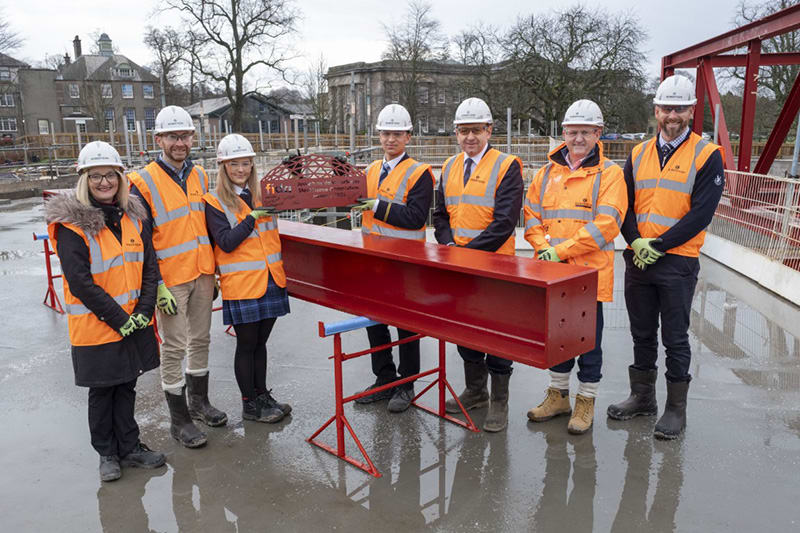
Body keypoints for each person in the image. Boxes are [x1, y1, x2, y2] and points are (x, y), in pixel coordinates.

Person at [607, 74, 725, 439]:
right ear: (655, 110)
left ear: (691, 111)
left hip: (676, 261)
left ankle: (676, 409)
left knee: (675, 337)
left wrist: (655, 246)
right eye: (666, 108)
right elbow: (623, 204)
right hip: (638, 259)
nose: (672, 115)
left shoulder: (707, 155)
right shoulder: (639, 153)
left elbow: (701, 214)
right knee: (642, 333)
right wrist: (635, 241)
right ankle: (642, 397)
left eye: (680, 108)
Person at [45, 141, 166, 482]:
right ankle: (107, 454)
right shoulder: (72, 227)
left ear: (120, 177)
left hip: (133, 321)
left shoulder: (134, 216)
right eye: (95, 176)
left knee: (127, 386)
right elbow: (81, 282)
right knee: (103, 391)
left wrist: (143, 310)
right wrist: (121, 320)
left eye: (110, 175)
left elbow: (149, 268)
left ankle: (130, 448)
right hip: (99, 327)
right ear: (84, 180)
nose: (103, 182)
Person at [523, 99, 627, 434]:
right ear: (563, 133)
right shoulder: (546, 173)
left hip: (587, 274)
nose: (578, 138)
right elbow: (531, 216)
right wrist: (542, 248)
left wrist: (561, 250)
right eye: (572, 131)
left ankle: (585, 401)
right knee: (557, 337)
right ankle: (557, 396)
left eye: (585, 132)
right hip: (553, 272)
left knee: (588, 341)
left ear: (598, 134)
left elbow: (606, 224)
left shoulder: (610, 174)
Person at [129, 105, 227, 449]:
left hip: (201, 272)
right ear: (159, 139)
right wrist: (155, 286)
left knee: (200, 339)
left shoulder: (199, 174)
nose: (179, 142)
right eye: (172, 136)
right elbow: (140, 240)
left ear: (192, 137)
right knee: (174, 346)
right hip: (170, 281)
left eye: (184, 136)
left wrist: (213, 273)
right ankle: (179, 419)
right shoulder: (141, 182)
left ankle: (199, 403)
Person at [433, 97, 524, 432]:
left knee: (498, 338)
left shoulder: (507, 165)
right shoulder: (450, 166)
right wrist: (447, 244)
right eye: (463, 131)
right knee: (465, 333)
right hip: (460, 264)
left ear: (489, 130)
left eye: (476, 130)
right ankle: (475, 392)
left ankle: (499, 401)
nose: (470, 137)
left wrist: (467, 252)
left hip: (496, 267)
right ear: (456, 133)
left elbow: (504, 222)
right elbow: (440, 215)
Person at [203, 134, 292, 423]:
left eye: (246, 164)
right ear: (223, 166)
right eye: (234, 164)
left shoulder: (263, 192)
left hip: (269, 278)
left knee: (261, 343)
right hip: (242, 284)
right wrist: (252, 216)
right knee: (247, 344)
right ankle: (249, 404)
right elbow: (226, 242)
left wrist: (298, 170)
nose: (241, 169)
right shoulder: (214, 201)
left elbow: (298, 195)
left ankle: (262, 394)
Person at [352, 104, 434, 413]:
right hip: (373, 262)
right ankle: (383, 379)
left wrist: (375, 206)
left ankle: (406, 384)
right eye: (385, 133)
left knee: (406, 326)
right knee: (374, 322)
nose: (390, 139)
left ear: (408, 137)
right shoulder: (371, 170)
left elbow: (414, 218)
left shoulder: (420, 173)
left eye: (397, 134)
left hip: (405, 264)